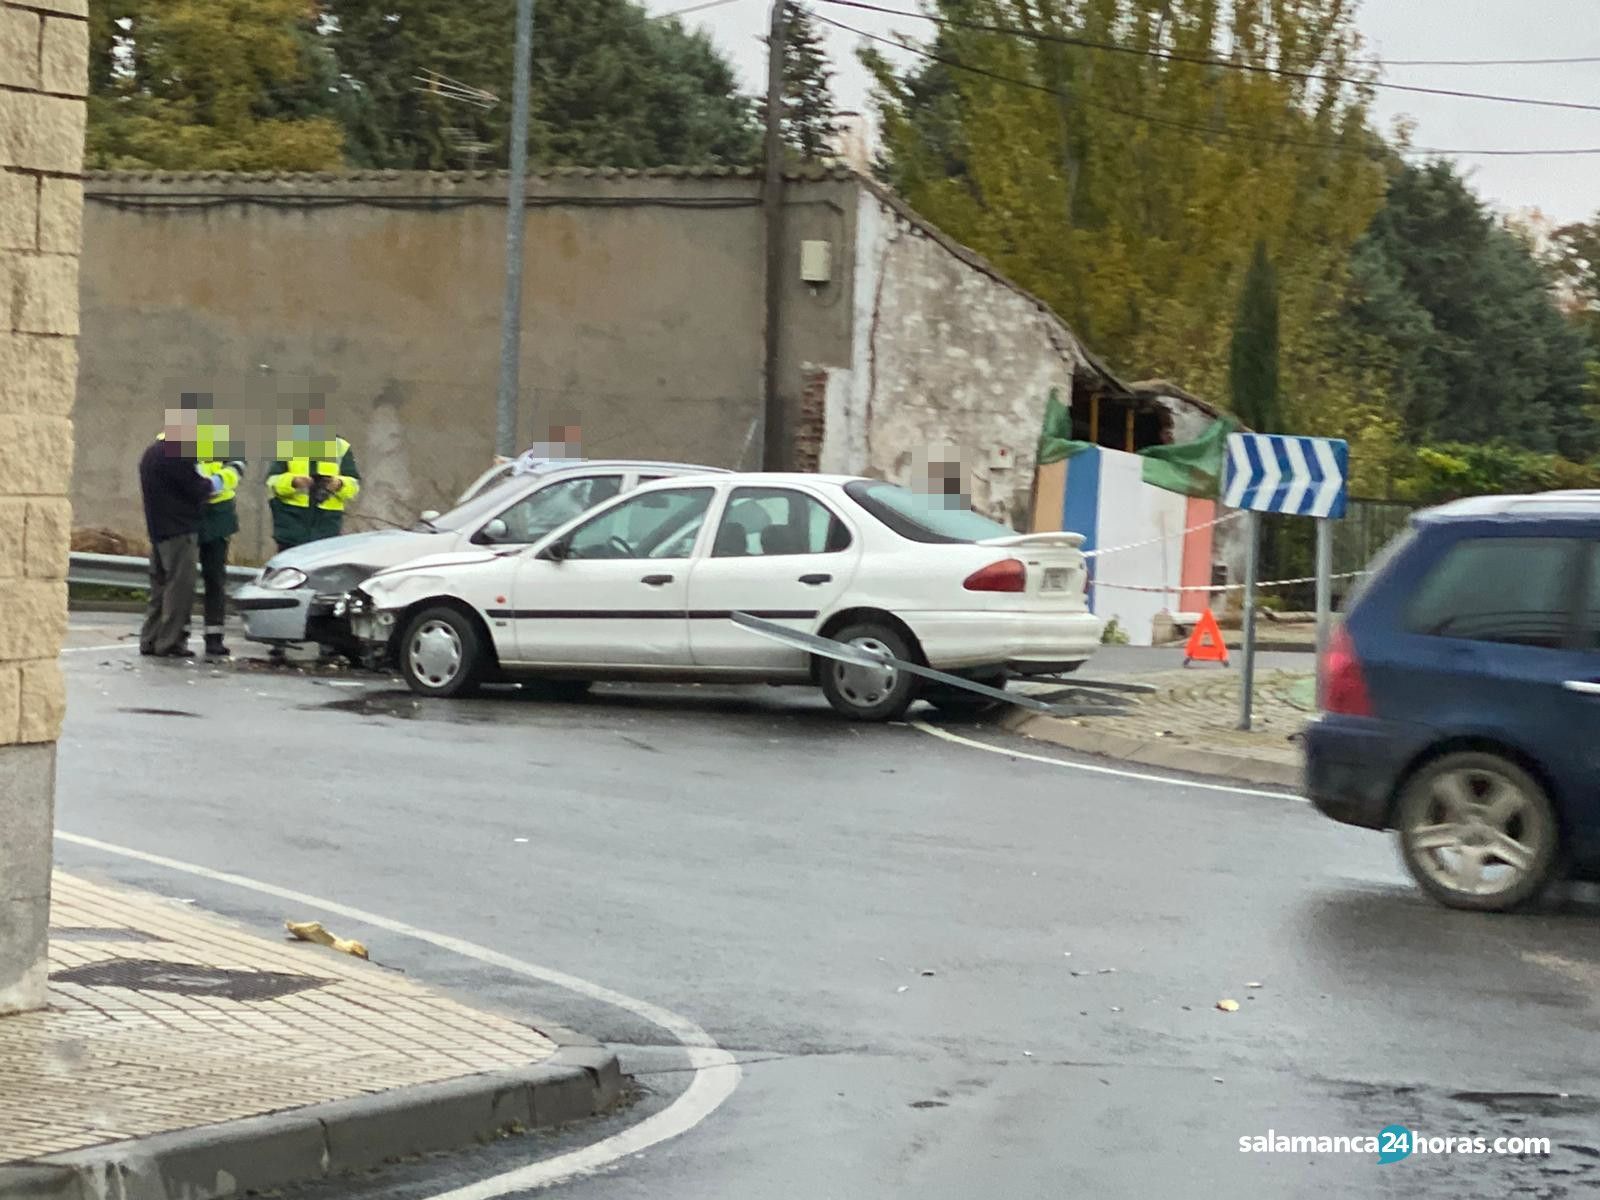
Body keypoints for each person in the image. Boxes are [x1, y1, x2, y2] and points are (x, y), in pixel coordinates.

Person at [139, 407, 220, 658]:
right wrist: (218, 482)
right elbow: (198, 488)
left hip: (158, 530)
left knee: (159, 588)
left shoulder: (152, 453)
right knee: (179, 589)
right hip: (180, 531)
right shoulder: (177, 455)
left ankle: (150, 639)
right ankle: (170, 643)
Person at [265, 405, 360, 553]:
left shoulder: (340, 447)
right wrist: (293, 482)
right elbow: (272, 482)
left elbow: (354, 485)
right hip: (291, 527)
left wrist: (339, 484)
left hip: (326, 529)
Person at [194, 409, 246, 659]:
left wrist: (215, 483)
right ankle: (176, 635)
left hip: (218, 517)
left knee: (215, 580)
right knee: (181, 580)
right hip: (189, 513)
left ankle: (214, 638)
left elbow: (236, 468)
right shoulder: (176, 439)